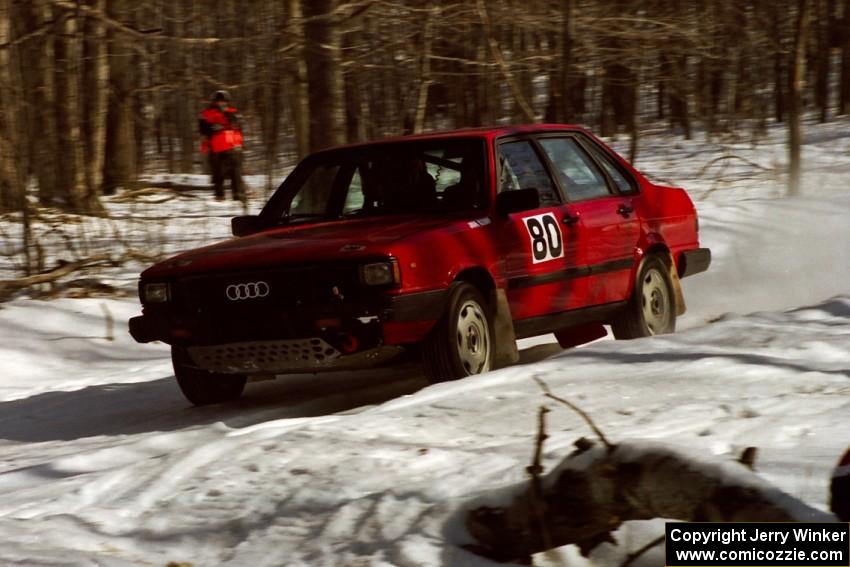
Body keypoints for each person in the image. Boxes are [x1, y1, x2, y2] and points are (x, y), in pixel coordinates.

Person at [199, 90, 245, 201]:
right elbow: (202, 129)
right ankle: (219, 195)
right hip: (216, 148)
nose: (222, 103)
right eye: (219, 101)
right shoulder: (207, 114)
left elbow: (239, 128)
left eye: (224, 101)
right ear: (214, 102)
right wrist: (212, 128)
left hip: (232, 146)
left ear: (227, 102)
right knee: (218, 173)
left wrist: (235, 125)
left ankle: (237, 195)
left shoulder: (233, 113)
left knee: (235, 172)